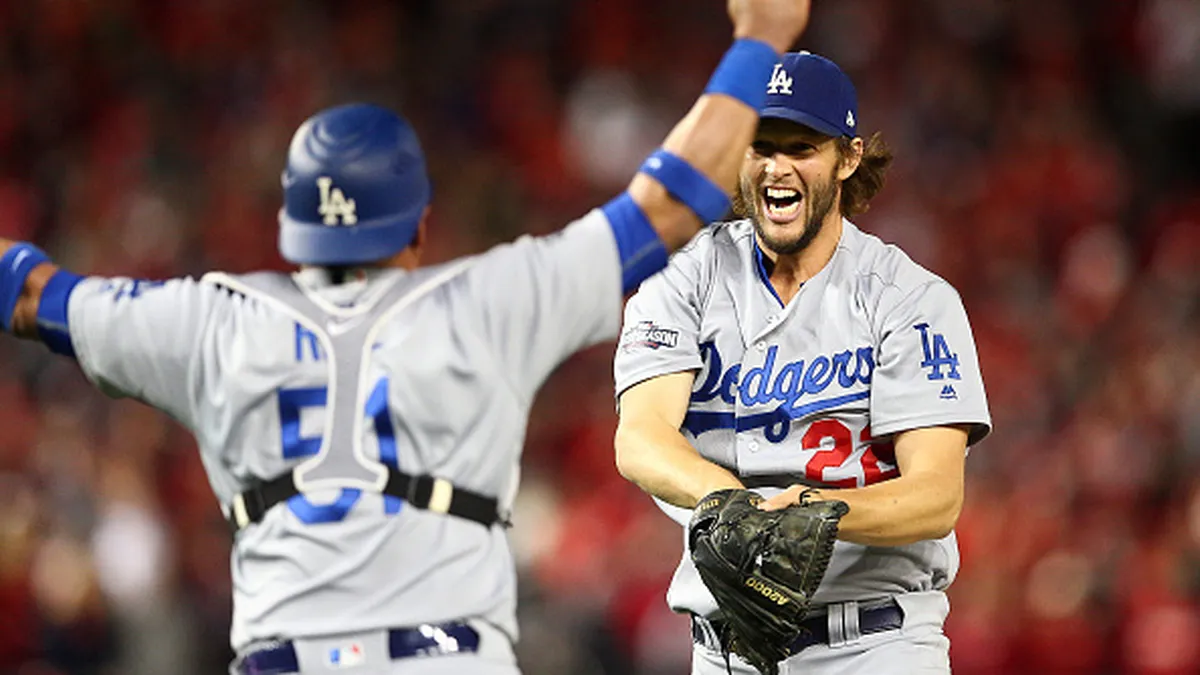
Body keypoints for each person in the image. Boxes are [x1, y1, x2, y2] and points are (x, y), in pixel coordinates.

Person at [0, 2, 815, 673]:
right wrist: (762, 37)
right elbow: (671, 202)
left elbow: (30, 293)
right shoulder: (489, 299)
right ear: (420, 226)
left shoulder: (208, 320)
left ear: (291, 230)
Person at [612, 51, 992, 674]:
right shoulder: (683, 279)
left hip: (875, 645)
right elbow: (640, 438)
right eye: (760, 146)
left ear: (848, 158)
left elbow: (936, 495)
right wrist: (735, 506)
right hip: (726, 650)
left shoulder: (908, 299)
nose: (777, 167)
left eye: (801, 147)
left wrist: (819, 513)